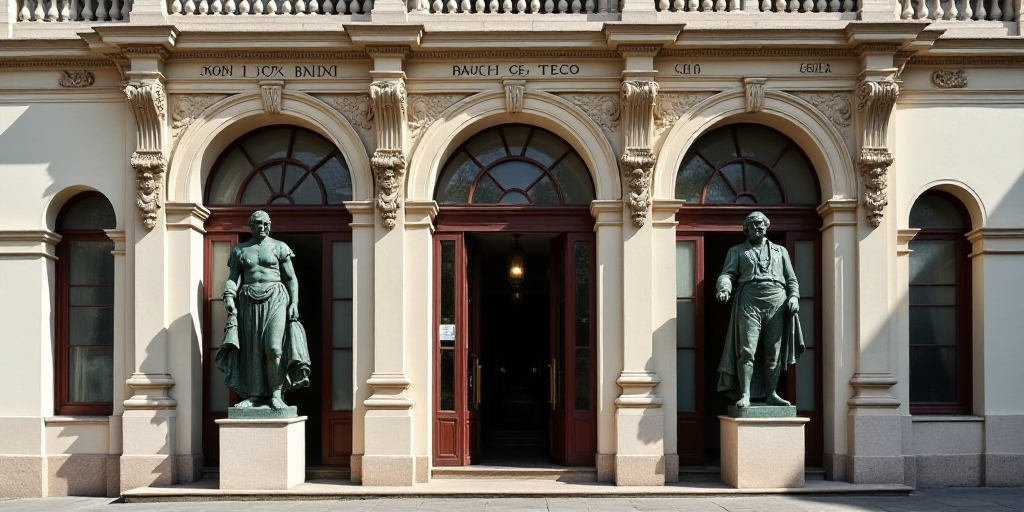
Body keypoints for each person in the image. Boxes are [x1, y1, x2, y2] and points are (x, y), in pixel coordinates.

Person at [215, 210, 310, 411]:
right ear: (251, 225)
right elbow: (234, 277)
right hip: (248, 299)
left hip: (276, 297)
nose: (264, 227)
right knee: (252, 350)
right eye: (259, 223)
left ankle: (276, 394)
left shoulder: (279, 247)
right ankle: (255, 395)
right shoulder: (241, 250)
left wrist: (294, 303)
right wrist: (229, 295)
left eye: (267, 223)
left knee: (274, 348)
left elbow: (291, 277)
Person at [716, 211, 804, 408]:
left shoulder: (780, 251)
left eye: (763, 223)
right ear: (747, 229)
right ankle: (745, 394)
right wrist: (724, 289)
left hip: (777, 302)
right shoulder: (737, 251)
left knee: (774, 352)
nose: (760, 226)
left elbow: (792, 280)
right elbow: (726, 275)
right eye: (755, 224)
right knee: (747, 350)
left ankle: (772, 393)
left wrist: (794, 297)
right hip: (749, 300)